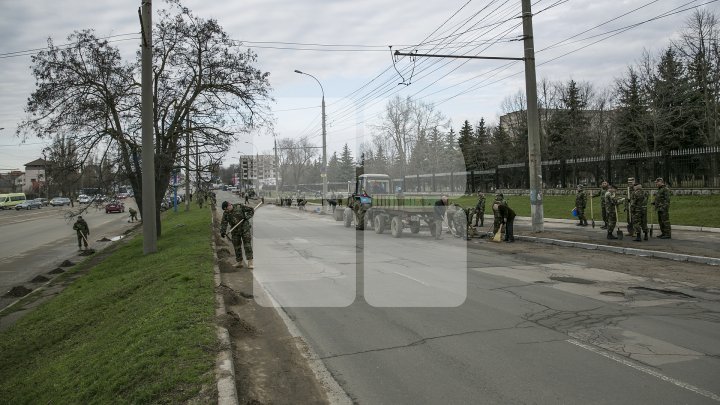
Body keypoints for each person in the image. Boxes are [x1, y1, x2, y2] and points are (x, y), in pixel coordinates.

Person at [220, 201, 255, 269]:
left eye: (227, 209)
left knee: (247, 245)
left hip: (245, 229)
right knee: (237, 246)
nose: (226, 211)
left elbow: (251, 210)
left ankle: (250, 263)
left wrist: (246, 217)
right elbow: (224, 222)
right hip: (235, 231)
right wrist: (222, 232)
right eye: (225, 210)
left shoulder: (239, 206)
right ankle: (239, 262)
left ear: (229, 205)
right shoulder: (226, 213)